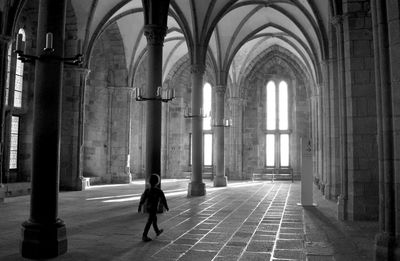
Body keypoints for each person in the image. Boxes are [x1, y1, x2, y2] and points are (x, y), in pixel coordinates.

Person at [138, 173, 169, 242]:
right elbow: (163, 199)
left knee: (154, 219)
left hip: (148, 207)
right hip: (154, 208)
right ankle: (144, 235)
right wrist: (166, 207)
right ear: (158, 182)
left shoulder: (147, 190)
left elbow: (143, 198)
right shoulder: (159, 191)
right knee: (150, 221)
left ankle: (157, 231)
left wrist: (140, 206)